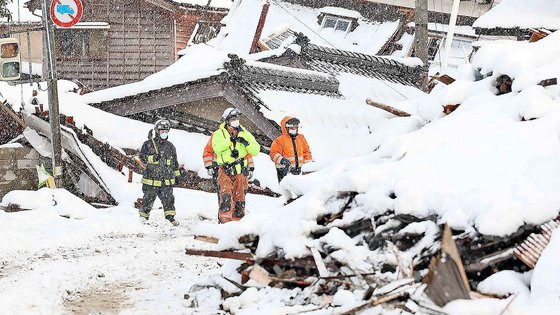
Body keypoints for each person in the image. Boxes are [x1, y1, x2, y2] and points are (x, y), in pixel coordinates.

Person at [211, 108, 260, 223]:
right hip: (225, 170)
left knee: (239, 201)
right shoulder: (219, 134)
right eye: (233, 119)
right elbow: (216, 148)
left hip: (240, 172)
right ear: (227, 121)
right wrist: (230, 140)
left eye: (237, 119)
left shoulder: (245, 133)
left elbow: (256, 150)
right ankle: (224, 223)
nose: (236, 121)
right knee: (226, 198)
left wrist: (246, 143)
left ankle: (237, 224)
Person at [139, 119, 181, 226]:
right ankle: (143, 218)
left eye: (166, 131)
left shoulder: (170, 146)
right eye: (162, 131)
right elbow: (142, 158)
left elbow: (174, 163)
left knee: (169, 200)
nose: (164, 133)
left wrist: (177, 176)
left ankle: (170, 218)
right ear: (157, 131)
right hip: (151, 180)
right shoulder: (148, 144)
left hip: (166, 181)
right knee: (148, 199)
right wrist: (152, 158)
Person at [269, 116, 312, 182]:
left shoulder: (301, 138)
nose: (294, 129)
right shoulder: (279, 140)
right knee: (286, 190)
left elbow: (306, 152)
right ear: (286, 128)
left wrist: (309, 166)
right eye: (292, 128)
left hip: (300, 172)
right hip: (284, 172)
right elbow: (273, 153)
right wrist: (282, 160)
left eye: (295, 127)